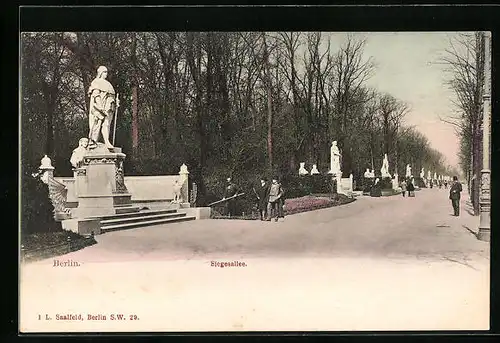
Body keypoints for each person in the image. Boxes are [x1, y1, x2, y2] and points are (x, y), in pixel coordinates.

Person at [88, 66, 118, 149]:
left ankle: (106, 141)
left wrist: (115, 103)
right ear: (100, 73)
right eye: (104, 72)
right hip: (100, 107)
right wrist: (100, 108)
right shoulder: (96, 82)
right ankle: (93, 141)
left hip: (109, 106)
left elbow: (111, 96)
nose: (106, 74)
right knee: (97, 124)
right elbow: (96, 96)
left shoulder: (108, 84)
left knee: (107, 124)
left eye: (107, 72)